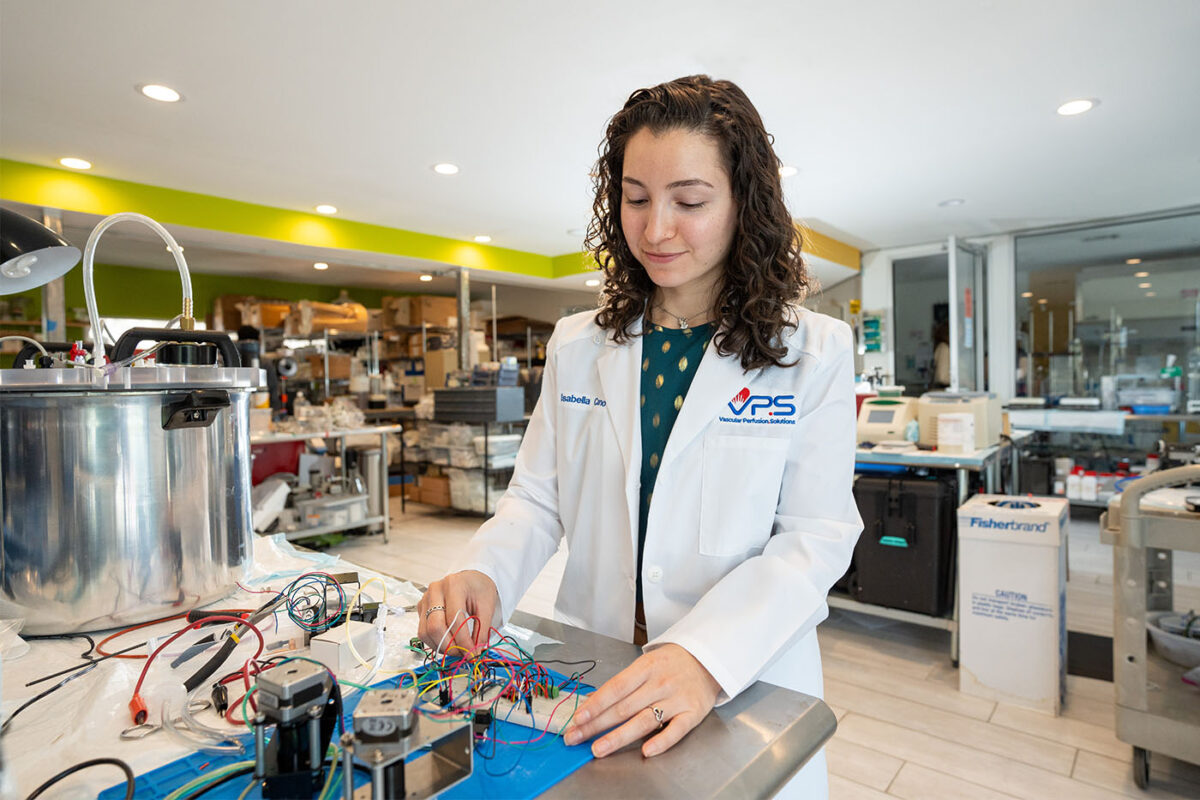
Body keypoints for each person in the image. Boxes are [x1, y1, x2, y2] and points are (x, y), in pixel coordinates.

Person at [417, 75, 861, 797]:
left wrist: (705, 656)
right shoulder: (577, 345)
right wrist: (484, 573)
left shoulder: (813, 351)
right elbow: (537, 498)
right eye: (636, 198)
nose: (656, 229)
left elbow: (814, 536)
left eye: (689, 201)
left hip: (740, 681)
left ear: (744, 202)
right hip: (591, 671)